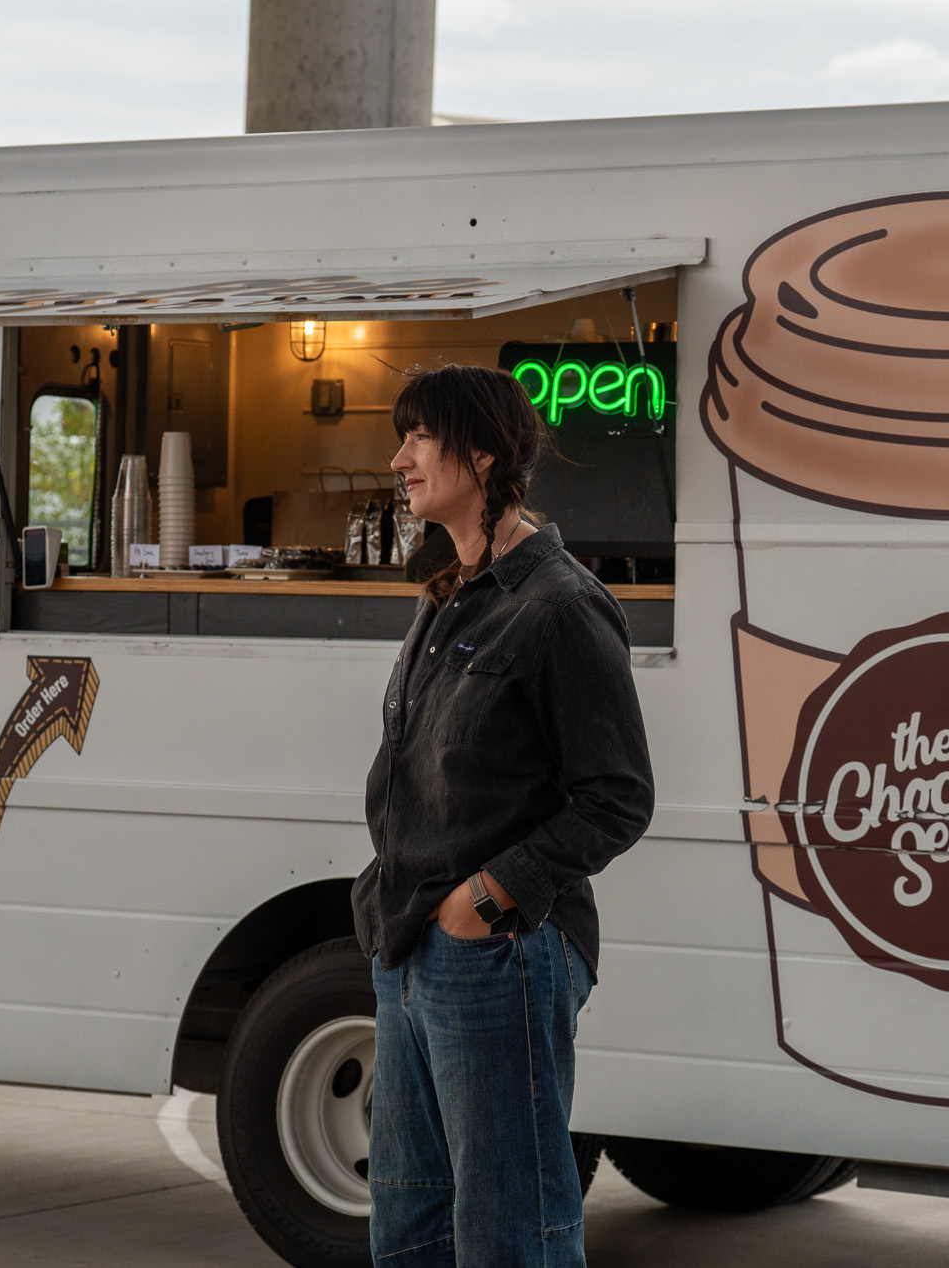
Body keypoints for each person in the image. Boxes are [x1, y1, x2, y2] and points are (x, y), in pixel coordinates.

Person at [353, 363, 655, 1267]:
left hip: (499, 955)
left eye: (420, 437)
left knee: (509, 1236)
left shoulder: (560, 605)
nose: (400, 458)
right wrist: (390, 908)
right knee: (407, 1228)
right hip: (410, 947)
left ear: (480, 455)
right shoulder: (449, 592)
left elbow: (619, 795)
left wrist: (484, 899)